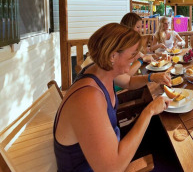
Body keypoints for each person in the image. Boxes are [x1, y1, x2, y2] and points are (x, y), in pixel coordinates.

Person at [54, 23, 172, 171]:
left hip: (112, 145)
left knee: (159, 128)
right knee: (171, 155)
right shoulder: (87, 98)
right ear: (113, 56)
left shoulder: (100, 71)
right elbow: (112, 168)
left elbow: (128, 81)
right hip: (100, 166)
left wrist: (152, 77)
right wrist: (148, 111)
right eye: (133, 53)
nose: (136, 57)